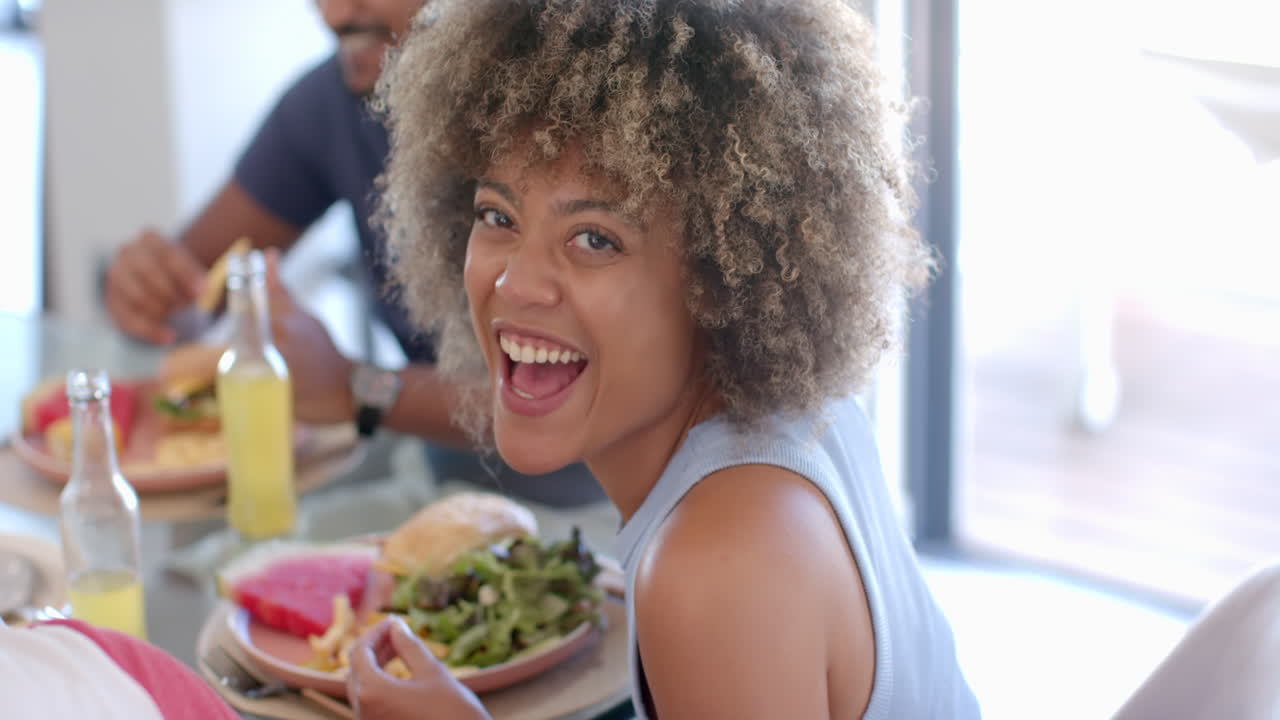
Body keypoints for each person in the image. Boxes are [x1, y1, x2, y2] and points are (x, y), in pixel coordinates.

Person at [346, 0, 981, 717]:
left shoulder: (713, 570)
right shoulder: (797, 423)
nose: (514, 283)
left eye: (595, 239)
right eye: (498, 216)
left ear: (723, 280)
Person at [102, 0, 600, 507]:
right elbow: (192, 289)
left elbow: (593, 404)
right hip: (444, 486)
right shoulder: (334, 100)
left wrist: (358, 388)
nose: (335, 14)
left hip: (615, 500)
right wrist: (152, 294)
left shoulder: (594, 104)